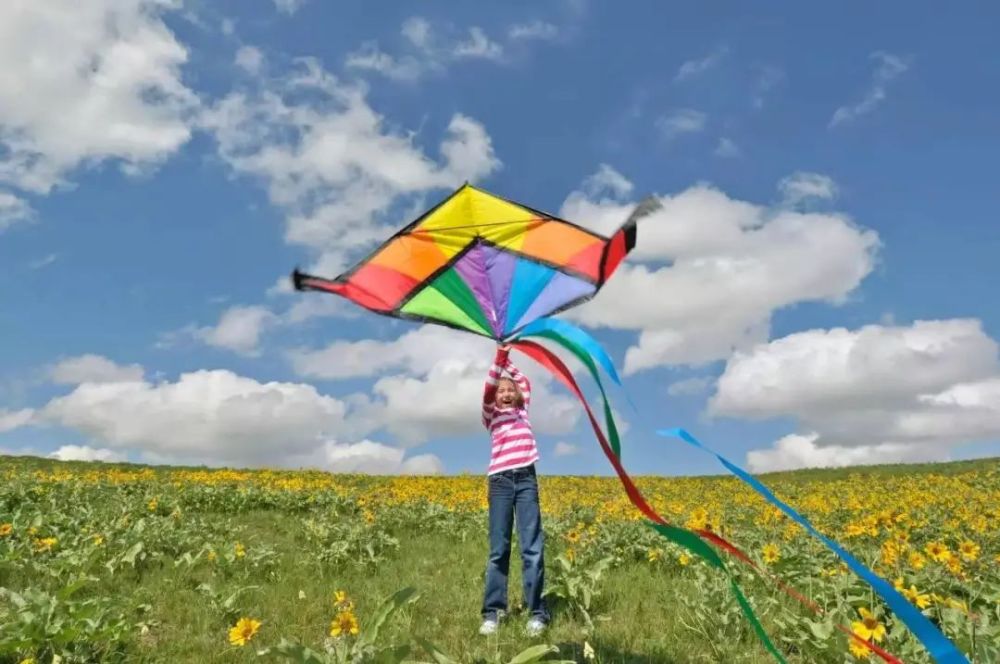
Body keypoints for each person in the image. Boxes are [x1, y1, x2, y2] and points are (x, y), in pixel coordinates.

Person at [479, 343, 548, 637]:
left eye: (510, 390)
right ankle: (493, 613)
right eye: (501, 391)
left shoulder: (523, 411)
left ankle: (537, 613)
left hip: (526, 480)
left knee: (532, 547)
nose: (506, 392)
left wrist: (509, 359)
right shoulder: (491, 416)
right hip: (501, 483)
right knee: (499, 549)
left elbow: (525, 382)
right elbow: (487, 389)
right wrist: (499, 359)